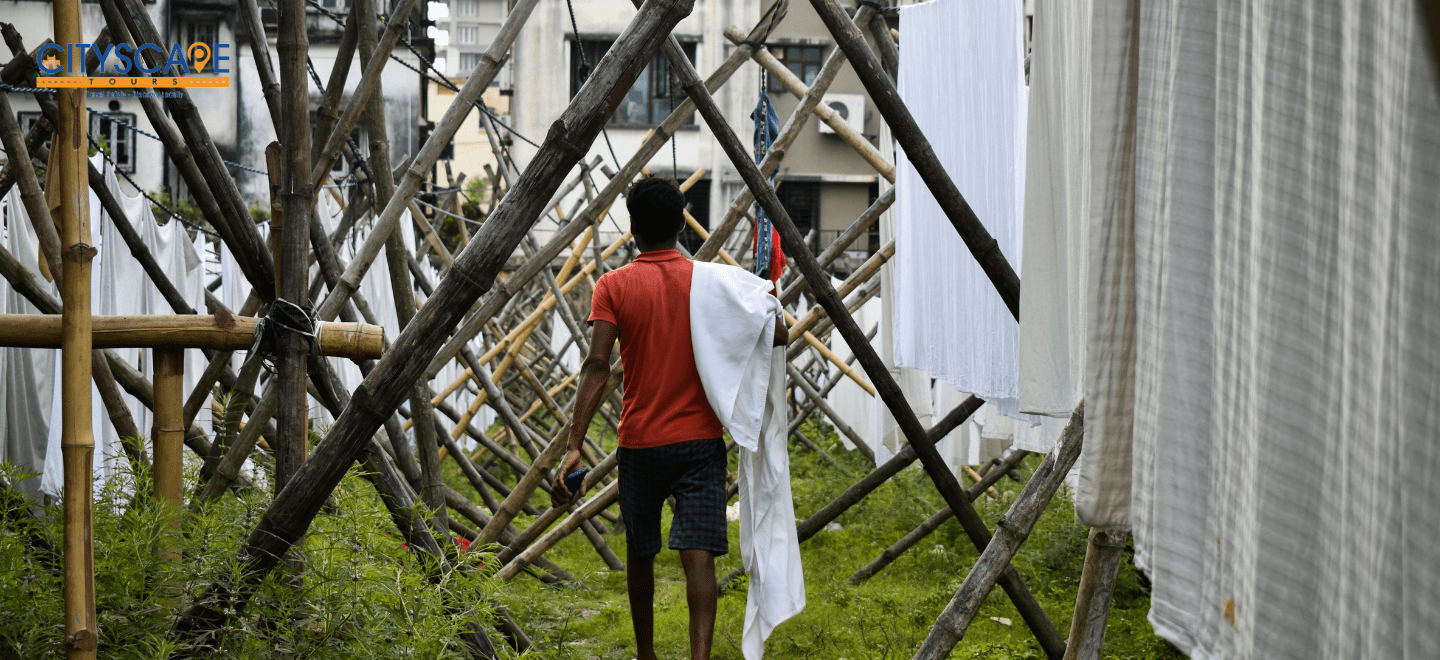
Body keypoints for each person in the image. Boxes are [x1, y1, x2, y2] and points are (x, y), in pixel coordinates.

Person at [553, 176, 785, 660]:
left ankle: (646, 655)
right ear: (682, 224)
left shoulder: (613, 286)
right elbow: (779, 331)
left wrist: (573, 444)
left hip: (640, 443)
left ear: (633, 228)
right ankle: (699, 656)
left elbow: (597, 365)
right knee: (698, 553)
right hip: (700, 442)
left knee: (641, 551)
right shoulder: (715, 284)